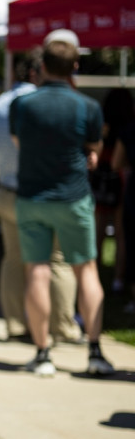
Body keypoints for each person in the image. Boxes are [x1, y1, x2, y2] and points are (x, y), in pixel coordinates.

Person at [10, 29, 115, 377]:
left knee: (37, 271)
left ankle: (42, 353)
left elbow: (19, 143)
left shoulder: (22, 104)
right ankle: (95, 351)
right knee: (86, 269)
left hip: (32, 196)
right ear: (75, 66)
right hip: (73, 197)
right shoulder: (88, 107)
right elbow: (94, 149)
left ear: (42, 66)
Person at [0, 49, 83, 345]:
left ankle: (16, 324)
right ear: (37, 72)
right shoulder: (37, 106)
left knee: (14, 261)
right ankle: (61, 326)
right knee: (56, 262)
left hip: (6, 190)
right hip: (40, 192)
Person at [93, 87, 131, 292]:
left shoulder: (102, 126)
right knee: (121, 233)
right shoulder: (128, 126)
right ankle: (118, 279)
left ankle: (94, 274)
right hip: (120, 179)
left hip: (101, 179)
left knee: (98, 229)